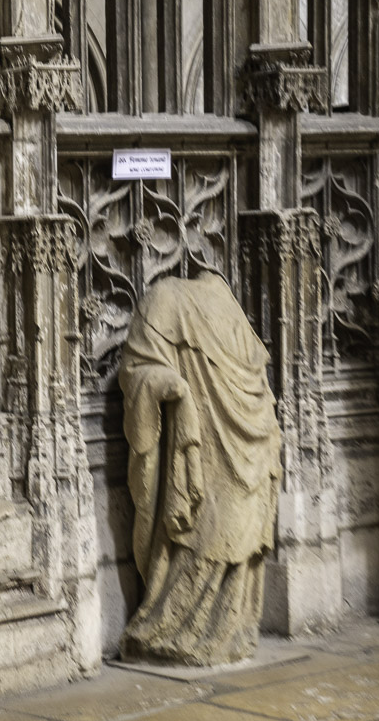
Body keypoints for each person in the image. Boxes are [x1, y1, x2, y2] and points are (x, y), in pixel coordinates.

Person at [118, 272, 281, 666]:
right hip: (208, 440)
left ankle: (230, 623)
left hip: (248, 438)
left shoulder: (225, 303)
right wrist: (170, 384)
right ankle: (176, 627)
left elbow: (256, 370)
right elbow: (136, 369)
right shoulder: (165, 298)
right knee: (203, 527)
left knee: (233, 531)